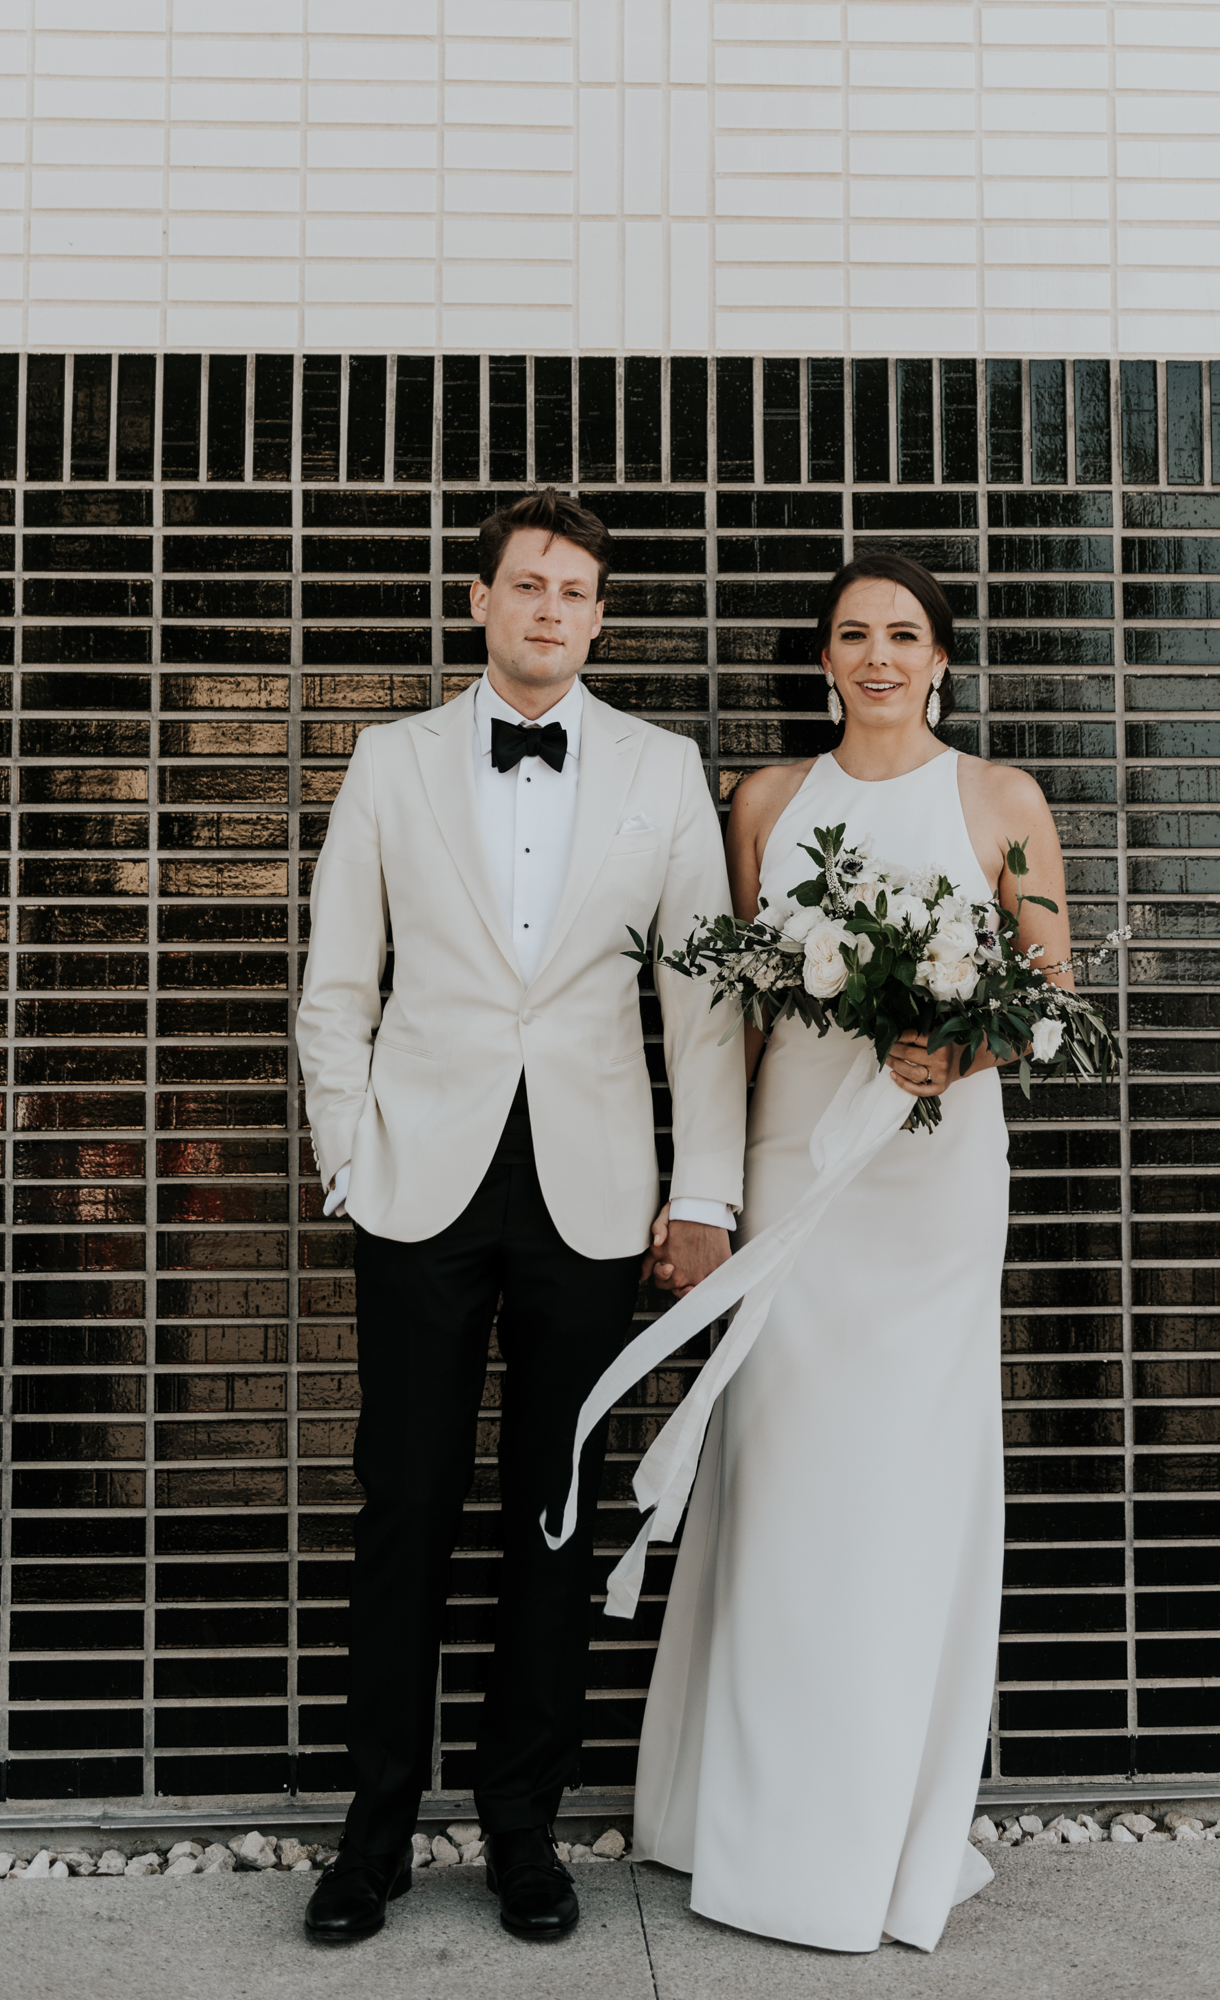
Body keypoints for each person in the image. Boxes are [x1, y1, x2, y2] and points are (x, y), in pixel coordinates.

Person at [296, 489, 746, 1944]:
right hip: (420, 1183)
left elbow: (702, 1006)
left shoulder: (663, 769)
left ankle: (523, 1834)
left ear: (600, 618)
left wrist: (701, 1193)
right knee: (406, 1505)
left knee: (554, 1516)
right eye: (529, 585)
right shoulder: (393, 758)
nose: (553, 609)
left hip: (593, 1189)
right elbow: (337, 987)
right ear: (480, 600)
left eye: (577, 593)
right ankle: (372, 1838)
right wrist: (353, 1164)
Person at [631, 549, 1073, 1954]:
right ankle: (740, 1818)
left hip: (935, 1196)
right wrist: (705, 1190)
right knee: (787, 1476)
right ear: (820, 659)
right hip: (796, 1170)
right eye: (850, 635)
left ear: (942, 656)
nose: (877, 655)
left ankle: (883, 1824)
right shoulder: (766, 801)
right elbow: (735, 1020)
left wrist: (966, 1040)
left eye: (903, 634)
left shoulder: (1002, 798)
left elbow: (1048, 997)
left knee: (906, 1486)